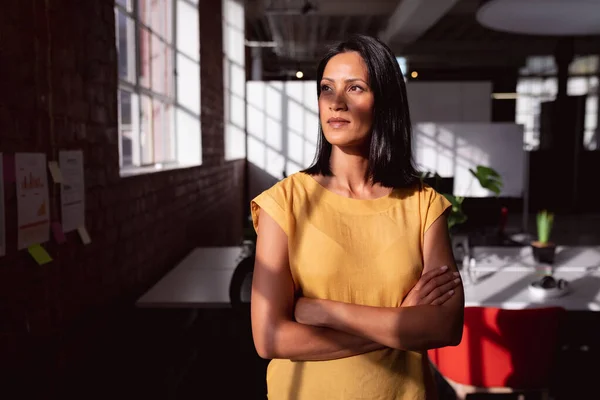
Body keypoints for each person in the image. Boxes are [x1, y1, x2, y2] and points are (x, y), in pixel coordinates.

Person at [250, 34, 464, 400]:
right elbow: (270, 338)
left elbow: (444, 327)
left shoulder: (423, 205)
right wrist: (398, 326)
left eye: (356, 88)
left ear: (385, 102)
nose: (336, 102)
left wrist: (321, 310)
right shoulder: (283, 202)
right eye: (326, 89)